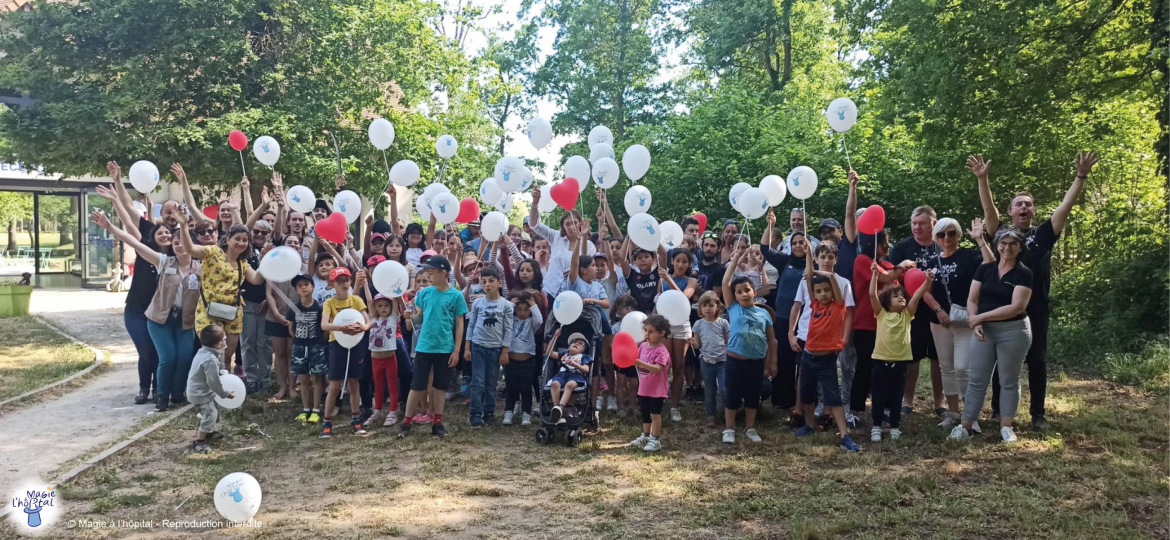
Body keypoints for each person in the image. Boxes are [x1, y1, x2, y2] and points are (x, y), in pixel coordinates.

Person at [972, 151, 1098, 430]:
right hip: (1001, 306)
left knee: (1037, 361)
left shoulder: (1043, 234)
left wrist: (1081, 176)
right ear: (1011, 212)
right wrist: (983, 179)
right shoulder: (1003, 234)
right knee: (999, 358)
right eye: (1019, 204)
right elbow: (989, 211)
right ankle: (997, 410)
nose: (1024, 208)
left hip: (1035, 306)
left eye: (1028, 204)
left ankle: (1037, 414)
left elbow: (1065, 206)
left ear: (1034, 211)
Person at [92, 211, 201, 412]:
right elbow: (136, 244)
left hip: (185, 321)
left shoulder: (201, 268)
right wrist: (110, 228)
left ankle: (177, 395)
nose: (178, 246)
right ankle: (161, 397)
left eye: (182, 242)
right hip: (159, 320)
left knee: (184, 357)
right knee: (167, 357)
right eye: (175, 243)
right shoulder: (164, 261)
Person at [952, 228, 1034, 443]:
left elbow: (1016, 307)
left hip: (1014, 331)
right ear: (997, 245)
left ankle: (1006, 427)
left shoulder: (1024, 273)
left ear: (1020, 247)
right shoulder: (985, 269)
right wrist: (974, 320)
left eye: (1013, 244)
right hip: (984, 331)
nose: (1007, 248)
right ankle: (965, 426)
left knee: (1008, 380)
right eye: (1003, 243)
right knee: (976, 381)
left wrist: (980, 318)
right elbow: (972, 300)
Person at [175, 211, 268, 374]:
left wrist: (265, 261)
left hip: (232, 313)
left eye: (245, 240)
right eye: (237, 238)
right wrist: (183, 225)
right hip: (208, 310)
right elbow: (190, 248)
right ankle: (205, 390)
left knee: (227, 356)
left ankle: (225, 391)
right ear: (228, 239)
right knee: (213, 354)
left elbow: (257, 280)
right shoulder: (213, 252)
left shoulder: (242, 263)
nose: (241, 242)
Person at [924, 218, 995, 429]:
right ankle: (953, 414)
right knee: (946, 367)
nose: (946, 238)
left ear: (958, 235)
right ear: (936, 238)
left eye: (951, 233)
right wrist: (938, 309)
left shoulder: (969, 256)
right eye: (941, 234)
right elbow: (924, 292)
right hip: (940, 322)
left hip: (965, 320)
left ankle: (969, 416)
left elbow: (991, 265)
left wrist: (980, 240)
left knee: (963, 367)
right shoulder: (931, 262)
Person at [793, 249, 860, 452]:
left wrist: (822, 274)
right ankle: (809, 425)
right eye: (819, 291)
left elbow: (829, 276)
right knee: (807, 394)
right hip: (808, 357)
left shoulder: (838, 305)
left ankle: (844, 435)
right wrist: (808, 253)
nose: (822, 294)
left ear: (833, 292)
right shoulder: (814, 304)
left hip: (827, 360)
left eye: (826, 291)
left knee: (833, 397)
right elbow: (810, 275)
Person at [887, 206, 945, 417]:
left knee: (938, 358)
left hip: (939, 310)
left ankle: (940, 402)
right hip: (911, 311)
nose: (917, 227)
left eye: (922, 223)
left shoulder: (942, 245)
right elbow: (892, 279)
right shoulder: (902, 247)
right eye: (914, 223)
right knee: (911, 358)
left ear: (934, 224)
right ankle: (907, 400)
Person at [400, 255, 466, 438]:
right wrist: (409, 316)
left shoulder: (456, 296)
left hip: (445, 348)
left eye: (431, 272)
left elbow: (459, 324)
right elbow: (419, 317)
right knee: (417, 385)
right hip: (424, 346)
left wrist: (456, 350)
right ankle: (406, 422)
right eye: (426, 272)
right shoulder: (424, 294)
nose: (427, 276)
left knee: (440, 386)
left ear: (443, 273)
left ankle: (437, 422)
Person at [867, 261, 934, 442]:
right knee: (878, 397)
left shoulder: (907, 315)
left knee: (897, 397)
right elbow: (872, 295)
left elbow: (917, 296)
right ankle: (876, 426)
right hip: (880, 361)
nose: (901, 297)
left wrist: (927, 282)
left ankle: (895, 426)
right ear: (887, 302)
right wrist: (874, 275)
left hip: (900, 362)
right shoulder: (881, 314)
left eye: (902, 295)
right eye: (896, 296)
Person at [850, 230, 911, 420]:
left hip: (887, 327)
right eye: (885, 241)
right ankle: (855, 410)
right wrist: (902, 266)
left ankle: (884, 408)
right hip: (866, 323)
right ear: (872, 243)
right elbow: (884, 278)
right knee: (865, 367)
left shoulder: (888, 265)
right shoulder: (862, 261)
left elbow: (899, 285)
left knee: (886, 369)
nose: (888, 245)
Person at [720, 246, 778, 444]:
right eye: (739, 292)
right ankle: (729, 429)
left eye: (747, 290)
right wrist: (734, 261)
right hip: (735, 361)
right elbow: (725, 282)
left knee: (754, 396)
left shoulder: (764, 313)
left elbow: (772, 340)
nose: (743, 294)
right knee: (732, 395)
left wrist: (772, 363)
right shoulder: (733, 308)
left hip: (756, 363)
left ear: (754, 291)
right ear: (734, 296)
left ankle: (750, 428)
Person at [319, 267, 372, 437]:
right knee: (334, 385)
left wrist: (363, 327)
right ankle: (326, 422)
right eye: (340, 280)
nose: (344, 284)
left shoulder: (356, 300)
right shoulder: (329, 303)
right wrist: (341, 328)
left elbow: (368, 320)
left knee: (353, 383)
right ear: (332, 283)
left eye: (347, 280)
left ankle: (356, 420)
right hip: (336, 344)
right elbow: (324, 325)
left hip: (355, 344)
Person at [465, 266, 514, 426]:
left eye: (491, 281)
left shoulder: (506, 305)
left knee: (491, 383)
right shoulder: (478, 303)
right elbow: (471, 325)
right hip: (478, 347)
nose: (487, 285)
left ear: (499, 283)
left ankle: (489, 413)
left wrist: (505, 350)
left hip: (495, 349)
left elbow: (508, 328)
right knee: (478, 382)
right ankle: (475, 414)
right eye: (484, 281)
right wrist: (467, 347)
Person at [529, 188, 595, 298]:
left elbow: (589, 268)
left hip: (574, 293)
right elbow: (534, 225)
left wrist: (576, 271)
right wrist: (535, 203)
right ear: (563, 226)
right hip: (551, 290)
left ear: (580, 223)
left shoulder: (588, 245)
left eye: (574, 223)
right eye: (567, 224)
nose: (571, 226)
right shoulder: (556, 237)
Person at [659, 248, 697, 422]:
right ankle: (659, 400)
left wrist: (669, 279)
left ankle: (675, 405)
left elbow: (683, 298)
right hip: (664, 325)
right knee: (663, 365)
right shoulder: (662, 280)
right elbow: (658, 300)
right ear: (672, 261)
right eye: (678, 261)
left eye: (685, 261)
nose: (681, 264)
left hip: (681, 324)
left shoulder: (692, 281)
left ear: (689, 264)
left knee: (679, 366)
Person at [186, 325, 235, 454]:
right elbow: (213, 382)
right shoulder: (210, 359)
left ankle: (210, 432)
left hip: (197, 391)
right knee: (209, 414)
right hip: (201, 394)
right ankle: (199, 442)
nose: (226, 341)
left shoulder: (203, 352)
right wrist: (225, 394)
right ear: (219, 344)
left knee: (213, 412)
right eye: (224, 339)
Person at [287, 274, 327, 425]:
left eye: (306, 284)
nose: (303, 287)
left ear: (313, 287)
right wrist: (299, 340)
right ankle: (305, 409)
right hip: (299, 347)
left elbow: (324, 330)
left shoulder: (319, 308)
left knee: (316, 378)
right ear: (296, 290)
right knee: (303, 378)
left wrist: (318, 342)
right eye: (299, 286)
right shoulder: (293, 308)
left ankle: (316, 410)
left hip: (316, 346)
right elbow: (291, 329)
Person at [364, 290, 408, 428]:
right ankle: (377, 411)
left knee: (392, 386)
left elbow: (396, 302)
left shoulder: (393, 318)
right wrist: (365, 283)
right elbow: (369, 300)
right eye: (380, 306)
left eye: (386, 305)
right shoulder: (372, 318)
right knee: (378, 387)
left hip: (390, 359)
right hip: (375, 359)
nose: (383, 308)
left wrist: (396, 290)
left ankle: (393, 412)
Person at [265, 235, 301, 401]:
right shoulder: (273, 268)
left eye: (296, 242)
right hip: (275, 316)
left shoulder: (303, 268)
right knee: (279, 353)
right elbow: (269, 293)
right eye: (289, 242)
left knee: (292, 352)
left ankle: (293, 387)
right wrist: (276, 313)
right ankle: (282, 386)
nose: (293, 245)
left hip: (297, 319)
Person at [629, 315, 671, 452]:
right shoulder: (642, 346)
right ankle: (646, 435)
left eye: (651, 331)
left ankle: (655, 439)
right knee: (645, 413)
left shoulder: (661, 351)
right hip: (644, 388)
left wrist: (640, 363)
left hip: (657, 390)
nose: (647, 334)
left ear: (662, 333)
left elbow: (658, 369)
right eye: (646, 330)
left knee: (655, 414)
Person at [504, 290, 543, 426]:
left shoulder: (532, 322)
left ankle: (526, 413)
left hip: (527, 362)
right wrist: (510, 304)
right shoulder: (510, 319)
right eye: (519, 309)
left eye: (526, 309)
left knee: (526, 389)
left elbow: (539, 319)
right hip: (510, 360)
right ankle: (508, 412)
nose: (522, 313)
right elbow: (502, 315)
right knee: (511, 388)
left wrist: (532, 303)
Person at [691, 291, 728, 428]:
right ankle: (711, 415)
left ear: (717, 307)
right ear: (700, 308)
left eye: (711, 305)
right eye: (704, 305)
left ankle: (728, 411)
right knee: (709, 389)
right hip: (706, 362)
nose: (707, 308)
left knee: (724, 389)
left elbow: (728, 342)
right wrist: (691, 342)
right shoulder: (698, 324)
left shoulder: (723, 323)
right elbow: (697, 344)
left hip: (723, 362)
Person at [547, 332, 592, 424]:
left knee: (570, 384)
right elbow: (548, 353)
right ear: (568, 347)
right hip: (562, 375)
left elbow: (586, 369)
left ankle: (561, 407)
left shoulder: (583, 357)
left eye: (580, 344)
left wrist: (576, 365)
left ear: (583, 350)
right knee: (555, 383)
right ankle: (556, 407)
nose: (576, 344)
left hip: (575, 375)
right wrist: (555, 336)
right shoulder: (564, 354)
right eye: (574, 342)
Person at [609, 295, 639, 415]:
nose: (629, 311)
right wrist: (621, 350)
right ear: (618, 310)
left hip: (635, 359)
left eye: (631, 308)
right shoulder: (616, 327)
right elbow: (612, 344)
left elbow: (644, 340)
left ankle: (633, 405)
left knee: (634, 383)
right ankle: (621, 407)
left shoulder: (639, 324)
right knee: (621, 383)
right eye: (626, 308)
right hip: (621, 359)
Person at [695, 232, 726, 297]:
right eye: (706, 245)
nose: (708, 248)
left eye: (712, 246)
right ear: (702, 246)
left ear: (719, 248)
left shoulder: (720, 270)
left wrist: (695, 288)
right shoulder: (695, 266)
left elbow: (715, 296)